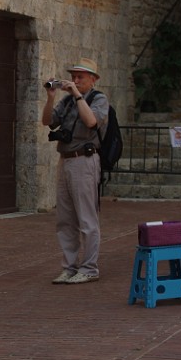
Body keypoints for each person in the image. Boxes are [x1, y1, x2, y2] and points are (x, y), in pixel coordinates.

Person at [41, 57, 109, 285]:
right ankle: (69, 267)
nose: (75, 80)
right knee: (65, 218)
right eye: (73, 76)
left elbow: (91, 122)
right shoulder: (67, 101)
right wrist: (51, 97)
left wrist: (78, 95)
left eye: (80, 77)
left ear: (93, 79)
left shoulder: (99, 100)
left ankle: (89, 268)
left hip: (85, 160)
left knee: (87, 218)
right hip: (66, 160)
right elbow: (47, 121)